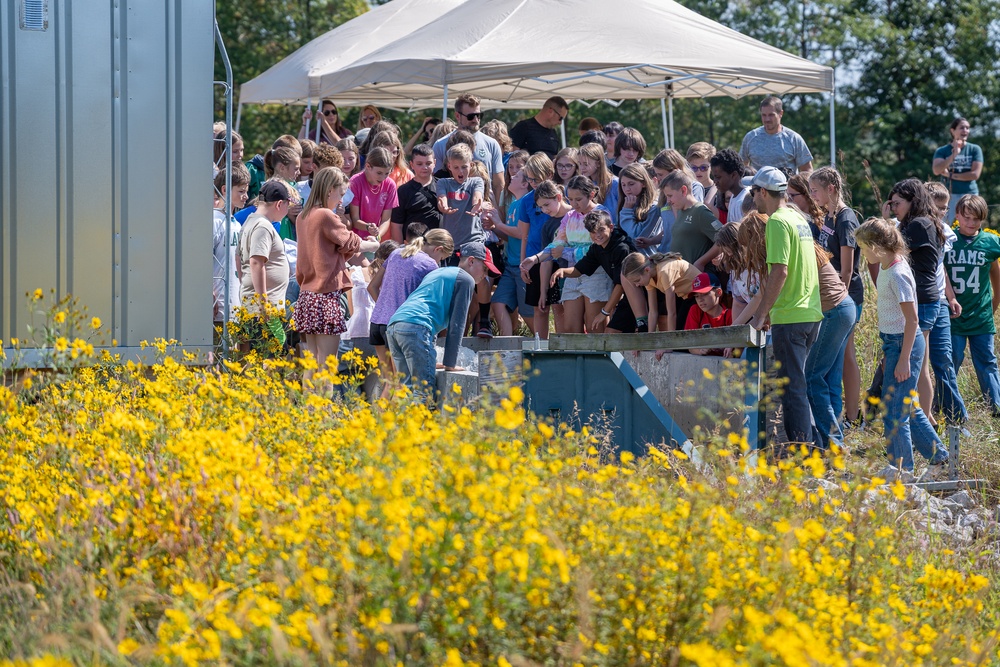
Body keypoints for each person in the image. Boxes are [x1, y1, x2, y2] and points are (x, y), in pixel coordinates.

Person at [855, 218, 950, 480]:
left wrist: (904, 359)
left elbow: (913, 320)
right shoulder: (886, 266)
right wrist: (889, 354)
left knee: (894, 410)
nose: (862, 253)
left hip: (905, 343)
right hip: (892, 343)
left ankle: (902, 469)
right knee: (906, 405)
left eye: (863, 248)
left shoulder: (898, 273)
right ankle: (939, 457)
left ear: (877, 246)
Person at [746, 167, 823, 449]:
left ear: (763, 192)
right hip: (810, 313)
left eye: (754, 191)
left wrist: (761, 315)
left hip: (791, 317)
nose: (752, 198)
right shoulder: (797, 217)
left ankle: (803, 455)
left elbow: (780, 271)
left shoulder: (778, 221)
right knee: (800, 389)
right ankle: (814, 449)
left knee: (792, 391)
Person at [294, 167, 381, 378]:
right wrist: (375, 246)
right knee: (327, 364)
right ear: (330, 190)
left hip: (307, 296)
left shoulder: (303, 216)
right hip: (325, 296)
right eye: (341, 194)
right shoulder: (325, 215)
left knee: (312, 361)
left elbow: (333, 251)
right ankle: (323, 409)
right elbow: (351, 241)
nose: (342, 200)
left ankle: (309, 408)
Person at [386, 242, 498, 400]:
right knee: (423, 393)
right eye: (485, 269)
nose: (485, 275)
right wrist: (450, 363)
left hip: (395, 326)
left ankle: (402, 424)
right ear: (471, 261)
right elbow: (457, 325)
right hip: (416, 327)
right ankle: (423, 425)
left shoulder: (440, 272)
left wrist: (430, 360)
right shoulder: (466, 280)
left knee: (407, 389)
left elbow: (430, 315)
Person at [885, 178, 955, 430]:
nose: (894, 208)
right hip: (924, 300)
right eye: (891, 204)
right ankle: (927, 422)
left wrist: (885, 223)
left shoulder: (917, 225)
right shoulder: (920, 222)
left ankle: (923, 427)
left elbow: (887, 250)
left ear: (913, 201)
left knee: (918, 367)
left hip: (922, 302)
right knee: (920, 364)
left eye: (897, 203)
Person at [808, 167, 865, 428]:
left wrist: (832, 298)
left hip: (845, 297)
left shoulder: (845, 218)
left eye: (815, 190)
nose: (812, 195)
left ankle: (845, 419)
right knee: (833, 360)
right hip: (832, 299)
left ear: (831, 189)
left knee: (839, 358)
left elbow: (847, 269)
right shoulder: (827, 217)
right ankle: (838, 418)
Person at [369, 228, 454, 399]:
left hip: (377, 322)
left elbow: (371, 287)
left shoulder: (396, 253)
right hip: (398, 326)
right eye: (443, 258)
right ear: (438, 249)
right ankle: (390, 425)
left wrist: (385, 307)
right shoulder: (430, 265)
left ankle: (377, 423)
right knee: (400, 384)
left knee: (389, 381)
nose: (440, 262)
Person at [524, 175, 611, 333]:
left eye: (578, 199)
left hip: (596, 274)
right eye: (570, 199)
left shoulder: (601, 213)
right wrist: (535, 258)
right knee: (570, 329)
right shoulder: (570, 216)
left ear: (591, 195)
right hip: (573, 275)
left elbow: (598, 248)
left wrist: (567, 252)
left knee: (595, 328)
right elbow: (558, 242)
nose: (573, 204)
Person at [945, 194, 1000, 417]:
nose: (971, 223)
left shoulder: (990, 242)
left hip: (981, 315)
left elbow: (996, 275)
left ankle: (996, 409)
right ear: (957, 215)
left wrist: (993, 305)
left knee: (987, 362)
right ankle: (948, 408)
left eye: (976, 219)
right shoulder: (947, 240)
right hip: (953, 316)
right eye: (966, 217)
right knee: (952, 361)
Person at [551, 210, 643, 334]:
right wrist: (563, 271)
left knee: (618, 334)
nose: (597, 235)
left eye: (601, 230)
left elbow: (620, 284)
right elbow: (580, 269)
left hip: (639, 293)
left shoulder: (621, 248)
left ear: (610, 227)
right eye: (593, 232)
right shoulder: (597, 248)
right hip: (627, 296)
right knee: (610, 334)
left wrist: (604, 312)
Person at [805, 244, 856, 451]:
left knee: (812, 378)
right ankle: (837, 441)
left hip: (833, 311)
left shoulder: (796, 251)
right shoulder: (811, 248)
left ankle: (834, 445)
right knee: (829, 380)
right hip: (845, 307)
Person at [432, 94, 505, 206]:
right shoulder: (441, 144)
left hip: (483, 210)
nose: (475, 120)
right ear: (457, 116)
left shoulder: (491, 144)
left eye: (479, 115)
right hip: (453, 210)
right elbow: (435, 182)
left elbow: (498, 184)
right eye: (471, 116)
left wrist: (499, 215)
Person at [485, 169, 534, 336]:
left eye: (517, 176)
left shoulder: (525, 203)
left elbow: (521, 233)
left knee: (528, 313)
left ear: (524, 184)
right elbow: (510, 236)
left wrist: (498, 223)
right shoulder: (513, 203)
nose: (511, 176)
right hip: (510, 264)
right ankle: (506, 344)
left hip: (524, 265)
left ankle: (542, 344)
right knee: (498, 302)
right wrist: (494, 227)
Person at [620, 251, 702, 339]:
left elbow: (671, 312)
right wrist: (648, 340)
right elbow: (652, 312)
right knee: (677, 330)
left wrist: (670, 343)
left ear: (646, 270)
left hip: (699, 295)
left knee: (680, 335)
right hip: (686, 296)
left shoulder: (664, 272)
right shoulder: (648, 277)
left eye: (637, 280)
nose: (637, 285)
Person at [237, 180, 293, 310]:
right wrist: (263, 303)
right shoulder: (263, 226)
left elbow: (237, 259)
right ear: (279, 204)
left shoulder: (249, 221)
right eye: (287, 205)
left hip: (257, 306)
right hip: (265, 310)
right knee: (274, 332)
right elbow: (256, 262)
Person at [659, 171, 723, 275]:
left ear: (683, 190)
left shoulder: (700, 211)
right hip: (681, 277)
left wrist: (701, 262)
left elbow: (724, 238)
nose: (668, 200)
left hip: (697, 279)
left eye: (670, 195)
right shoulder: (680, 210)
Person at [213, 162, 250, 324]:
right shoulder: (214, 221)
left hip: (234, 307)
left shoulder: (236, 223)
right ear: (225, 190)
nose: (246, 196)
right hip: (217, 307)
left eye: (246, 191)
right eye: (241, 191)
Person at [739, 96, 813, 174]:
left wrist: (798, 185)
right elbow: (742, 167)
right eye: (764, 115)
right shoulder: (751, 137)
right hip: (756, 185)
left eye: (771, 115)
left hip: (786, 185)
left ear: (780, 113)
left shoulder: (793, 138)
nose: (767, 119)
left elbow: (807, 170)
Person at [932, 117, 984, 224]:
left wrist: (949, 174)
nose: (965, 130)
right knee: (944, 224)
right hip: (948, 196)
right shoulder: (942, 151)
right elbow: (936, 170)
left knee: (970, 224)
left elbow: (975, 174)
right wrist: (953, 155)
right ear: (953, 130)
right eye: (962, 128)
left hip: (970, 193)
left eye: (967, 128)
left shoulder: (975, 149)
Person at [436, 144, 485, 249]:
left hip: (473, 240)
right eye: (456, 167)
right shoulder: (443, 183)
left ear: (471, 165)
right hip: (450, 243)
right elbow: (442, 197)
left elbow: (477, 196)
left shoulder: (476, 181)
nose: (460, 171)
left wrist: (476, 206)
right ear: (449, 166)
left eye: (464, 167)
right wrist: (444, 206)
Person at [390, 143, 442, 243]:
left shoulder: (443, 186)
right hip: (413, 246)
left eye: (428, 163)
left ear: (435, 163)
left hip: (438, 246)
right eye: (419, 164)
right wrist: (400, 250)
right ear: (411, 165)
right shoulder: (403, 191)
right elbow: (397, 225)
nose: (424, 167)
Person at [348, 146, 399, 240]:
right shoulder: (355, 182)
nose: (383, 177)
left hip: (374, 240)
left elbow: (386, 219)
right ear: (368, 166)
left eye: (387, 173)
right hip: (354, 239)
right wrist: (368, 227)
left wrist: (377, 235)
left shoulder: (390, 185)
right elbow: (355, 219)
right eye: (379, 173)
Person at [617, 164, 661, 256]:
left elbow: (638, 236)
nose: (627, 189)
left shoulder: (653, 207)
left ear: (643, 183)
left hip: (649, 259)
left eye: (631, 184)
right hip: (629, 259)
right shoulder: (627, 203)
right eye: (623, 185)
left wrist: (626, 212)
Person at [684, 272, 732, 356]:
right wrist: (700, 351)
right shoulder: (695, 311)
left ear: (718, 292)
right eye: (697, 296)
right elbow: (689, 344)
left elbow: (737, 350)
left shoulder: (729, 315)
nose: (700, 300)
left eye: (705, 294)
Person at [578, 142, 619, 222]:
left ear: (598, 163)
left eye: (586, 164)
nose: (582, 168)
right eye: (580, 164)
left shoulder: (615, 183)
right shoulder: (582, 185)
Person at [709, 148, 749, 224]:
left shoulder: (746, 199)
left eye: (718, 177)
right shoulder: (733, 198)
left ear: (733, 175)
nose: (715, 181)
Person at [686, 142, 718, 217]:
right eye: (694, 168)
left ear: (712, 167)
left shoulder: (718, 190)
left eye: (703, 167)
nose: (698, 171)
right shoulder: (684, 189)